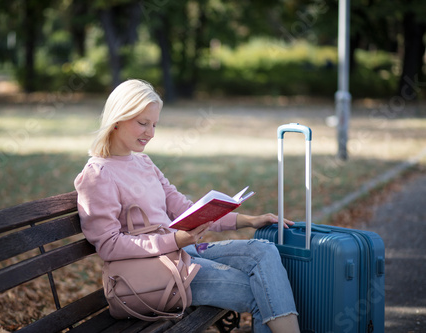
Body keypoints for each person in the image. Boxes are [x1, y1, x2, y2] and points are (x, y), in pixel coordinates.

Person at [74, 79, 300, 333]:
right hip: (155, 274)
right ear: (118, 119)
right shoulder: (98, 174)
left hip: (181, 254)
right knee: (262, 293)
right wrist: (175, 242)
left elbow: (186, 210)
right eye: (142, 123)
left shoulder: (144, 163)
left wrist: (248, 220)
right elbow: (108, 245)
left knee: (263, 250)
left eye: (154, 124)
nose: (150, 133)